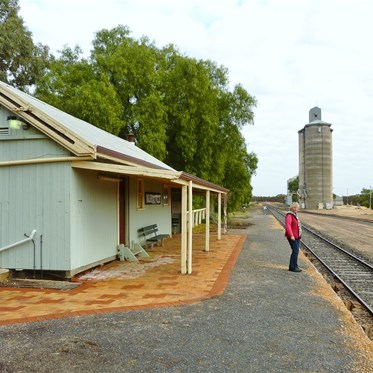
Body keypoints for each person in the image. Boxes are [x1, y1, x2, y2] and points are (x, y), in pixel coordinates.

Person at [285, 202, 302, 272]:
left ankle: (295, 265)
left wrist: (299, 235)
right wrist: (291, 235)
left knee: (296, 251)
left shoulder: (295, 215)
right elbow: (288, 226)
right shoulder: (289, 215)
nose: (295, 208)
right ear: (291, 208)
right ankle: (292, 267)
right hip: (292, 236)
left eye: (296, 207)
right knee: (295, 251)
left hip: (297, 236)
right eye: (294, 207)